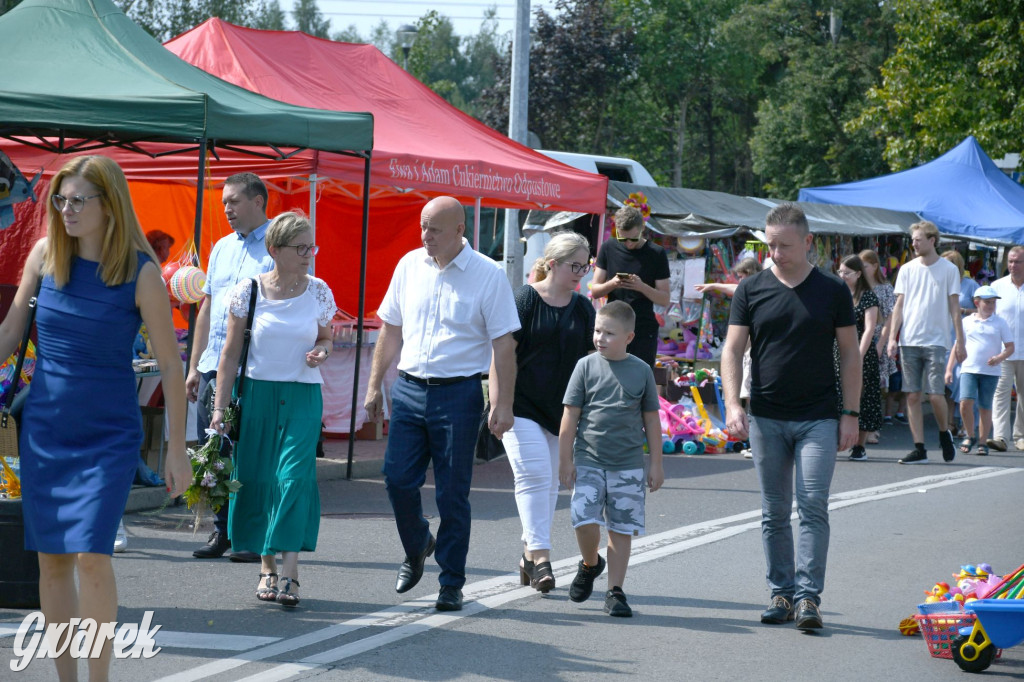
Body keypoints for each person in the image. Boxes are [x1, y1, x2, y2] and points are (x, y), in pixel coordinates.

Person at [0, 155, 191, 680]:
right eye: (59, 200)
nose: (66, 209)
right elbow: (12, 332)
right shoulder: (43, 256)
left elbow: (172, 369)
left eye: (78, 200)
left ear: (109, 206)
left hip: (108, 435)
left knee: (91, 555)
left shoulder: (140, 271)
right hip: (46, 430)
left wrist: (176, 449)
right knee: (52, 560)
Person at [364, 196, 519, 612]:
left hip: (459, 393)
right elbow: (391, 329)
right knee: (396, 479)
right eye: (422, 226)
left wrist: (502, 404)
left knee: (452, 494)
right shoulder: (409, 265)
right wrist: (375, 385)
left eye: (433, 228)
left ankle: (451, 581)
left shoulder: (488, 275)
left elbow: (504, 345)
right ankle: (418, 544)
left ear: (459, 231)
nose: (424, 236)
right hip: (411, 389)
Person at [722, 203, 860, 631]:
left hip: (819, 416)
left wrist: (850, 414)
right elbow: (731, 350)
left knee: (813, 504)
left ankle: (807, 598)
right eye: (770, 244)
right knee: (774, 510)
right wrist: (732, 403)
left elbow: (851, 353)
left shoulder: (833, 290)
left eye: (783, 245)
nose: (776, 252)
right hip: (766, 415)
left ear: (807, 242)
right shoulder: (752, 289)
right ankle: (781, 593)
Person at [210, 211, 335, 608]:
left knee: (293, 478)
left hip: (302, 397)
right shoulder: (248, 291)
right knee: (260, 479)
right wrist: (219, 408)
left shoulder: (318, 291)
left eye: (311, 246)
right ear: (274, 249)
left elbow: (328, 338)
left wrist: (322, 351)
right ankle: (267, 567)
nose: (309, 254)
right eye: (301, 248)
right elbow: (229, 355)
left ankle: (291, 572)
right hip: (258, 394)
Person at [185, 172, 274, 561]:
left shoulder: (279, 245)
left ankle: (251, 534)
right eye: (224, 202)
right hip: (212, 367)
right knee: (214, 450)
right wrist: (194, 366)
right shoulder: (220, 247)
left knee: (251, 452)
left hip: (253, 370)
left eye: (235, 201)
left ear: (258, 202)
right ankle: (222, 532)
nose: (227, 209)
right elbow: (206, 308)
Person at [558, 300, 664, 618]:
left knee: (620, 528)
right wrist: (565, 461)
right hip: (588, 459)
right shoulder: (585, 367)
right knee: (583, 519)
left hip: (628, 464)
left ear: (629, 337)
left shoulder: (641, 371)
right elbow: (570, 416)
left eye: (609, 333)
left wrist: (656, 463)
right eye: (597, 331)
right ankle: (590, 563)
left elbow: (652, 421)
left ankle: (615, 591)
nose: (600, 338)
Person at [504, 232, 595, 593]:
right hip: (521, 404)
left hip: (563, 409)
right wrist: (500, 404)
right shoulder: (525, 298)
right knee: (534, 475)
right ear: (552, 263)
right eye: (575, 265)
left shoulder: (584, 307)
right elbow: (503, 354)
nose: (581, 273)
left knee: (552, 483)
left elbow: (591, 361)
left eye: (585, 266)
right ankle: (542, 557)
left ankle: (528, 555)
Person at [887, 221, 966, 464]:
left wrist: (960, 340)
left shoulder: (948, 270)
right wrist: (892, 337)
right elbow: (899, 306)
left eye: (918, 239)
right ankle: (919, 448)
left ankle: (944, 434)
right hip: (909, 339)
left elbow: (954, 307)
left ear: (932, 240)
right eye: (912, 239)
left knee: (934, 394)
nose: (914, 243)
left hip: (936, 340)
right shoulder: (907, 269)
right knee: (911, 395)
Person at [694, 257, 762, 458]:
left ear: (751, 274)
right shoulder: (749, 290)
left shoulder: (756, 292)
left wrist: (714, 285)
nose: (739, 281)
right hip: (746, 354)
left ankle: (754, 441)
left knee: (751, 397)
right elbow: (732, 288)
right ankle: (752, 440)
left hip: (753, 354)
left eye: (742, 277)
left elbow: (733, 289)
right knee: (747, 397)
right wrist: (714, 285)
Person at [589, 206, 670, 369]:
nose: (628, 244)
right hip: (613, 327)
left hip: (642, 328)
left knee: (639, 378)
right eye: (622, 238)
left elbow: (664, 299)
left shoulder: (656, 253)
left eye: (633, 239)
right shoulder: (608, 248)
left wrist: (641, 287)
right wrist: (613, 283)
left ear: (643, 229)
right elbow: (595, 291)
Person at [944, 286, 1014, 456]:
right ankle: (970, 435)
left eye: (992, 303)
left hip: (990, 371)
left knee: (985, 406)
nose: (990, 306)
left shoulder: (1000, 322)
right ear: (977, 303)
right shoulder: (967, 321)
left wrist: (999, 357)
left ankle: (983, 442)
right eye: (987, 302)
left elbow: (1010, 347)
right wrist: (948, 369)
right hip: (969, 368)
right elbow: (957, 346)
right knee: (965, 402)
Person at [834, 255, 882, 461]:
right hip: (837, 352)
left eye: (847, 273)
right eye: (840, 272)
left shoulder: (868, 297)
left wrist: (858, 356)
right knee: (837, 395)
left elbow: (870, 328)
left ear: (858, 274)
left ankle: (860, 446)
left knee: (863, 398)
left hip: (861, 353)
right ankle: (836, 440)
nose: (843, 276)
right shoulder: (837, 294)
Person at [859, 249, 903, 429]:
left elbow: (889, 319)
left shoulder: (885, 289)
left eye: (865, 265)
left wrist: (880, 344)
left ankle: (871, 427)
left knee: (872, 386)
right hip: (856, 338)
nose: (861, 269)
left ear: (875, 266)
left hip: (876, 339)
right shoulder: (855, 287)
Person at [988, 245, 1024, 452]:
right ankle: (1000, 436)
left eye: (1017, 261)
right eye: (1010, 261)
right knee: (1000, 393)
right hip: (1003, 351)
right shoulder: (997, 286)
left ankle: (1021, 436)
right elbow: (990, 318)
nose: (1012, 266)